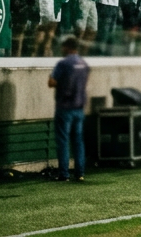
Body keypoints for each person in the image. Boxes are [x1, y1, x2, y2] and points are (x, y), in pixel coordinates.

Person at [48, 36, 89, 181]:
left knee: (63, 141)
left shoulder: (63, 63)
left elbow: (52, 82)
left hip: (64, 107)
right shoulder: (84, 64)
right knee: (78, 141)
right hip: (79, 107)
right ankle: (80, 173)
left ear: (67, 47)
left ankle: (64, 174)